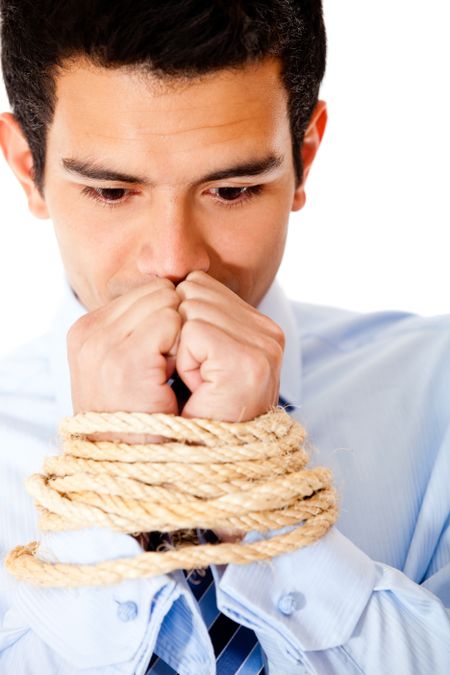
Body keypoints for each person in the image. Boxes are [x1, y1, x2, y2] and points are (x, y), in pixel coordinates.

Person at [0, 1, 449, 673]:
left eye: (233, 190)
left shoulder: (438, 394)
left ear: (305, 155)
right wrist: (111, 476)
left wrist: (252, 487)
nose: (175, 259)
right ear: (27, 165)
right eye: (112, 193)